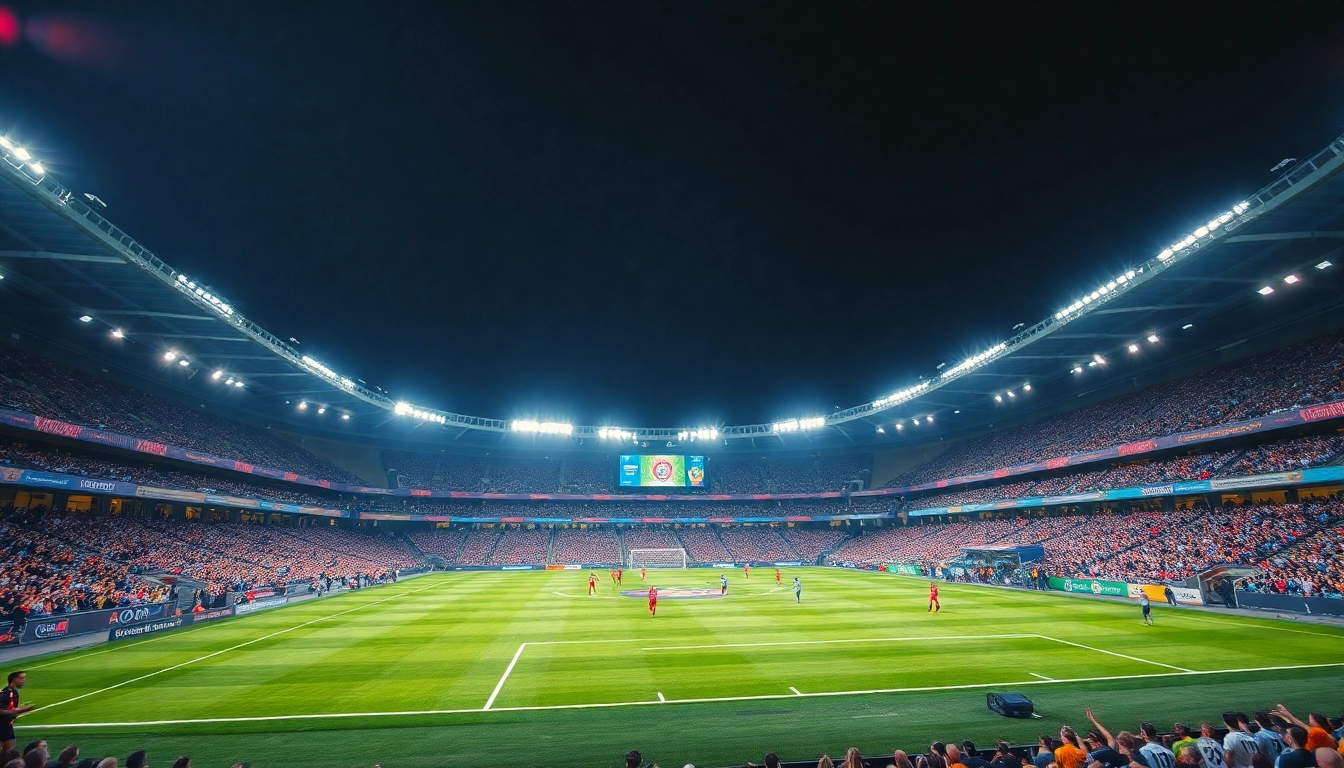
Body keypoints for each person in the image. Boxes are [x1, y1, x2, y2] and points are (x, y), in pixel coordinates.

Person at [0, 673, 33, 753]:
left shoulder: (12, 692)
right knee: (8, 753)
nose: (24, 681)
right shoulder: (8, 693)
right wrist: (21, 710)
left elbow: (9, 708)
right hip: (3, 726)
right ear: (14, 679)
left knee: (7, 753)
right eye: (21, 678)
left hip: (7, 725)